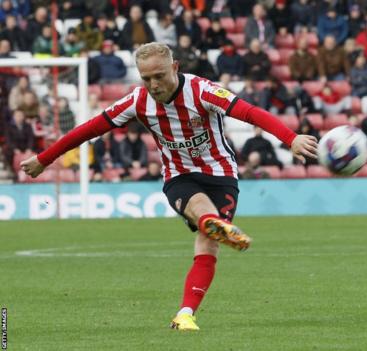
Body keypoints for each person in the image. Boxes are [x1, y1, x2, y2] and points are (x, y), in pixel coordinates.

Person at [20, 42, 317, 332]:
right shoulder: (137, 101)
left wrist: (290, 139)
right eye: (146, 78)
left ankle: (185, 313)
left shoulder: (202, 90)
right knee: (206, 223)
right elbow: (89, 129)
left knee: (208, 241)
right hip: (178, 175)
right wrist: (45, 159)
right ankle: (207, 234)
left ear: (175, 67)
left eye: (159, 76)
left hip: (221, 173)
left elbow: (249, 112)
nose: (154, 84)